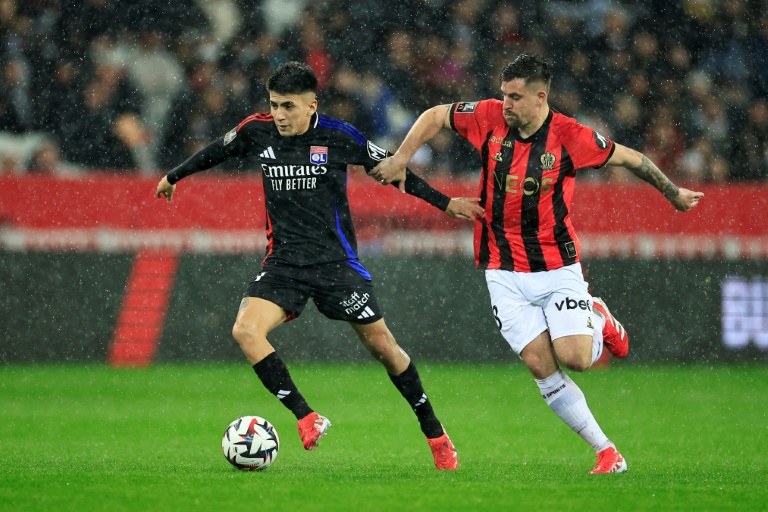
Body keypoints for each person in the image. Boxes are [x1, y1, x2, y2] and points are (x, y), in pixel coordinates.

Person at [371, 53, 704, 474]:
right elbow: (436, 115)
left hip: (556, 267)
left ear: (540, 97)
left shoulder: (570, 136)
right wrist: (402, 157)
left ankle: (598, 317)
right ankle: (607, 452)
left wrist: (672, 192)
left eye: (514, 97)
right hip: (502, 269)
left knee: (577, 358)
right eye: (503, 95)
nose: (505, 104)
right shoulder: (487, 117)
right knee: (539, 364)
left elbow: (630, 158)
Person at [155, 61, 484, 470]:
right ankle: (306, 417)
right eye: (274, 105)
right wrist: (174, 176)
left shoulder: (338, 136)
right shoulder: (255, 131)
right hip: (284, 263)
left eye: (288, 106)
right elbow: (215, 152)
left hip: (336, 265)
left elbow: (394, 170)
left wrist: (446, 203)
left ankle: (435, 434)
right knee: (245, 330)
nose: (279, 114)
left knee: (384, 347)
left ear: (312, 105)